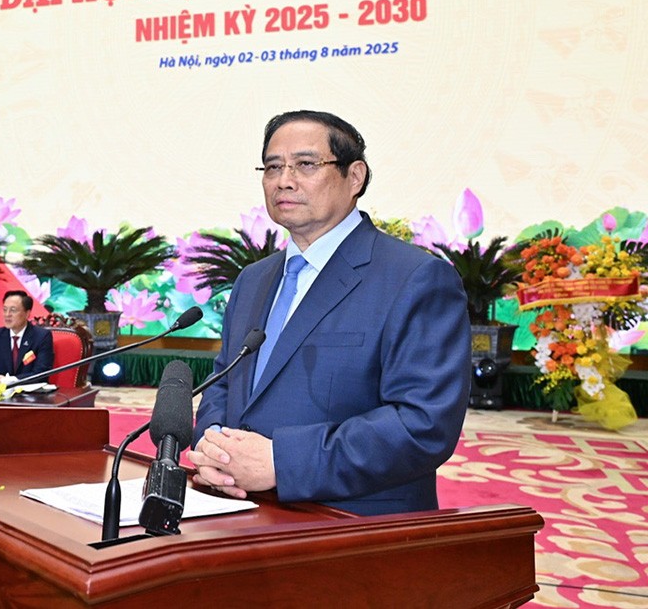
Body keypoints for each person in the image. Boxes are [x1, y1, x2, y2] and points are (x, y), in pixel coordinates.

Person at [190, 110, 470, 516]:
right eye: (273, 167)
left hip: (353, 525)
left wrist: (282, 463)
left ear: (354, 177)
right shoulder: (253, 280)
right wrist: (214, 443)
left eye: (306, 164)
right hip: (242, 513)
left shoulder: (416, 278)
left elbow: (423, 424)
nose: (284, 180)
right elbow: (224, 383)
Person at [0, 290, 54, 377]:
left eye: (13, 310)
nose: (7, 314)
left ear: (27, 313)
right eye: (5, 310)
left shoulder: (42, 336)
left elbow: (41, 373)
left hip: (30, 386)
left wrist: (11, 380)